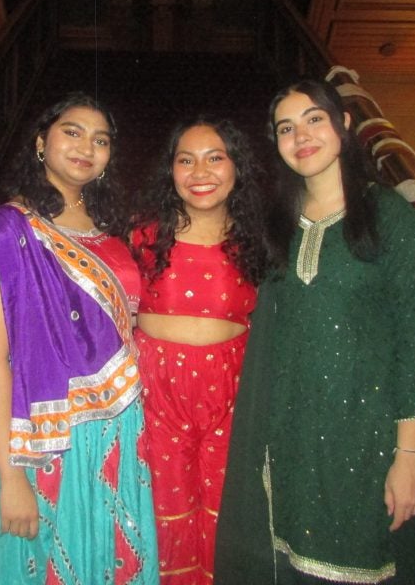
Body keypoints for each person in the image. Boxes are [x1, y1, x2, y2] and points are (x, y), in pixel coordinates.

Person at [213, 79, 415, 584]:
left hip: (367, 439)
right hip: (289, 438)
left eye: (314, 119)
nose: (301, 135)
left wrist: (409, 456)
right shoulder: (277, 227)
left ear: (343, 122)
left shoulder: (389, 214)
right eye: (286, 127)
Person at [0, 92, 160, 585]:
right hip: (37, 437)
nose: (87, 147)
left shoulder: (113, 233)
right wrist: (11, 477)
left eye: (100, 140)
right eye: (72, 132)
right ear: (41, 143)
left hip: (115, 431)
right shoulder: (2, 235)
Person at [131, 118, 271, 585]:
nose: (199, 171)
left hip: (232, 396)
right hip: (155, 397)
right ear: (170, 171)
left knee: (225, 513)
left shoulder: (261, 243)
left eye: (215, 157)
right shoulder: (141, 239)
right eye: (185, 159)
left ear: (237, 168)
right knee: (160, 512)